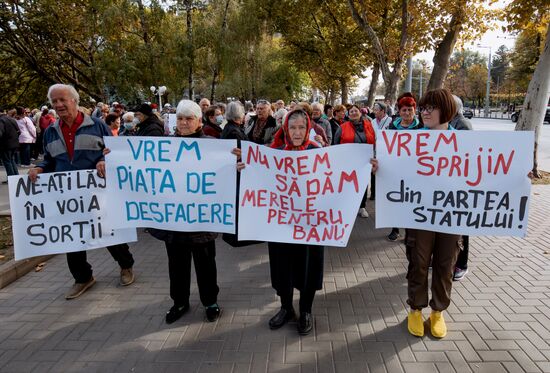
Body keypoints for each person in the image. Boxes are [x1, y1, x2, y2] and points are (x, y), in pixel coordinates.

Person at [28, 84, 135, 299]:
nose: (58, 105)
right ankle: (83, 277)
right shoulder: (50, 132)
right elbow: (49, 160)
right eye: (54, 101)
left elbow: (114, 152)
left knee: (107, 230)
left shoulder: (97, 126)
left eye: (62, 100)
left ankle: (126, 266)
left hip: (97, 192)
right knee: (72, 238)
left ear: (75, 101)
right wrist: (39, 167)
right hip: (67, 196)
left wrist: (104, 161)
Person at [149, 99, 221, 324]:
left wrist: (235, 161)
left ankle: (210, 301)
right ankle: (179, 302)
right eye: (180, 118)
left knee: (206, 264)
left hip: (202, 221)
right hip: (175, 220)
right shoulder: (165, 146)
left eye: (189, 118)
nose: (184, 123)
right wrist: (115, 158)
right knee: (177, 265)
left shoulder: (212, 145)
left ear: (199, 121)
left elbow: (222, 175)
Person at [404, 88, 462, 338]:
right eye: (423, 107)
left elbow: (486, 171)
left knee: (445, 263)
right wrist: (379, 167)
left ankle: (438, 311)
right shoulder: (410, 140)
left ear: (446, 111)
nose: (424, 112)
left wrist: (516, 174)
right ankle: (416, 309)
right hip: (420, 214)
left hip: (451, 214)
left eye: (431, 108)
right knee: (418, 262)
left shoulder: (463, 141)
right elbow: (397, 171)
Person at [267, 109, 323, 335]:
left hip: (310, 226)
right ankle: (286, 307)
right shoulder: (275, 154)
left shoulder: (319, 153)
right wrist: (245, 169)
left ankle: (306, 310)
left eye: (301, 127)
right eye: (293, 128)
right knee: (282, 266)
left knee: (308, 267)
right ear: (285, 130)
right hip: (282, 225)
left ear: (308, 128)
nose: (297, 132)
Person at [386, 93, 422, 241]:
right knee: (396, 199)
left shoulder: (421, 127)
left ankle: (409, 232)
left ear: (414, 110)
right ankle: (395, 229)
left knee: (411, 200)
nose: (407, 113)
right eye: (404, 110)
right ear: (399, 112)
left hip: (415, 171)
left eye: (410, 110)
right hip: (396, 170)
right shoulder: (392, 127)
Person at [333, 104, 375, 218]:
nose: (354, 113)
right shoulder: (343, 127)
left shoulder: (368, 125)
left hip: (364, 161)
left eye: (356, 111)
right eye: (351, 112)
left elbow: (374, 140)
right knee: (348, 184)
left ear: (360, 113)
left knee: (363, 184)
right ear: (348, 114)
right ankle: (348, 207)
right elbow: (335, 144)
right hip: (347, 162)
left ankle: (362, 207)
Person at [450, 95, 473, 281]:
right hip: (450, 182)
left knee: (461, 226)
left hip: (459, 183)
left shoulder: (462, 125)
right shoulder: (451, 122)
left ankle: (461, 264)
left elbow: (463, 154)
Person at [0, 109, 20, 182]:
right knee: (11, 160)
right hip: (14, 143)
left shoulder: (1, 120)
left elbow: (0, 133)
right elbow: (19, 131)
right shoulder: (11, 119)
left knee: (7, 161)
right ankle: (16, 177)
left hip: (5, 144)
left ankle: (11, 179)